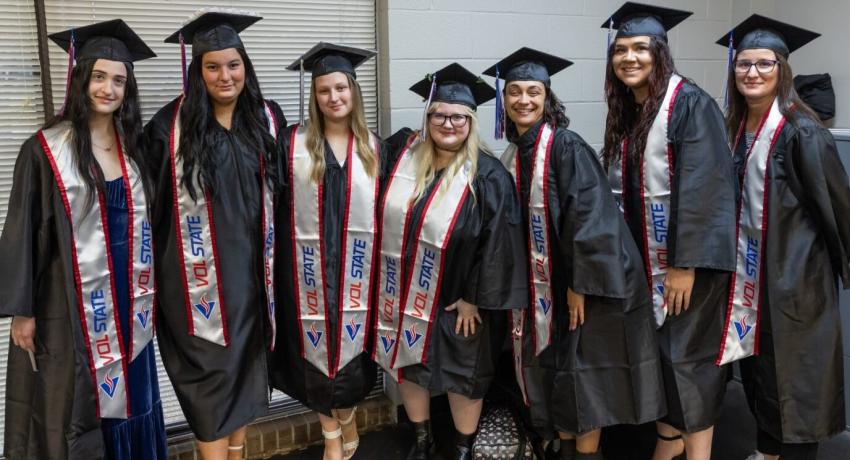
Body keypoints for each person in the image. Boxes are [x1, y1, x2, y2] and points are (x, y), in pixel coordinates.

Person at [482, 47, 665, 460]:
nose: (523, 100)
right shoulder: (516, 152)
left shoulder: (565, 146)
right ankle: (565, 448)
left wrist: (580, 285)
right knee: (558, 370)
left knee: (586, 378)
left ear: (547, 98)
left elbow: (590, 218)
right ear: (503, 99)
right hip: (552, 283)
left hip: (589, 284)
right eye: (514, 92)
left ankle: (585, 454)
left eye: (533, 92)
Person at [0, 19, 167, 459]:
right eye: (98, 76)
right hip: (72, 300)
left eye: (118, 80)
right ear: (80, 79)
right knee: (83, 399)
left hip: (131, 299)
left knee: (133, 395)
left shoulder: (135, 148)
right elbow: (20, 230)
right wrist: (22, 311)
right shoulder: (44, 150)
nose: (108, 89)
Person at [144, 10, 285, 460]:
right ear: (197, 71)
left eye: (233, 65)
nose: (225, 76)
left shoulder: (266, 119)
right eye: (212, 66)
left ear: (246, 67)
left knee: (245, 376)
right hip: (195, 286)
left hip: (254, 281)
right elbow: (146, 209)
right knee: (209, 388)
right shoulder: (167, 129)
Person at [600, 3, 737, 460]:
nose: (629, 58)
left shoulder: (690, 104)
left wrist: (684, 264)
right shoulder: (632, 110)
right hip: (651, 264)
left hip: (688, 269)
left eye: (641, 48)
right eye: (621, 50)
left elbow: (705, 188)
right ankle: (668, 443)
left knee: (689, 365)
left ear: (660, 52)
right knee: (663, 360)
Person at [375, 63, 527, 460]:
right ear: (427, 119)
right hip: (407, 290)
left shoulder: (488, 175)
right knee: (410, 365)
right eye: (439, 115)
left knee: (464, 375)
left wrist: (473, 297)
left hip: (459, 300)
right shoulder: (404, 159)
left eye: (458, 116)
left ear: (471, 122)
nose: (448, 123)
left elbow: (499, 243)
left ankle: (462, 447)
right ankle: (422, 439)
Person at [716, 15, 850, 460]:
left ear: (782, 69)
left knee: (796, 383)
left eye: (764, 63)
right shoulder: (736, 128)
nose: (752, 72)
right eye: (744, 64)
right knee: (761, 375)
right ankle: (767, 452)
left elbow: (837, 206)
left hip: (795, 283)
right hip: (751, 277)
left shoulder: (802, 131)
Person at [269, 42, 380, 460]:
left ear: (354, 91)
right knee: (312, 360)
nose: (333, 97)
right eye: (323, 90)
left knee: (349, 364)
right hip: (304, 276)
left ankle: (347, 419)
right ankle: (332, 433)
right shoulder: (290, 145)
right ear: (314, 96)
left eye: (341, 88)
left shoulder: (375, 148)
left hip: (356, 276)